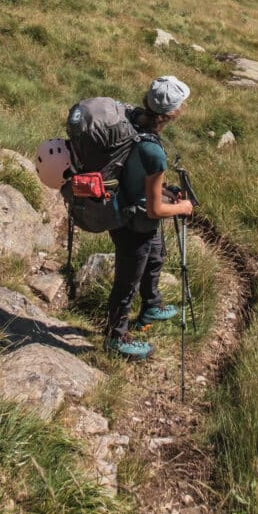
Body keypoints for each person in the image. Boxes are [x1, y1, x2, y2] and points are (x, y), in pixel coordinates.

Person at [106, 75, 193, 359]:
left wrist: (165, 191)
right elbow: (156, 210)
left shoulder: (132, 120)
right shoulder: (154, 151)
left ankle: (152, 306)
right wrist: (182, 208)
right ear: (172, 114)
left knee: (154, 256)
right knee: (127, 282)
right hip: (134, 222)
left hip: (123, 207)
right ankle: (115, 336)